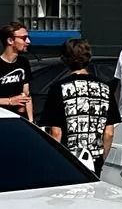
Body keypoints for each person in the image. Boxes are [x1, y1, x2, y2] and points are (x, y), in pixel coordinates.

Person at [42, 36, 115, 173]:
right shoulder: (105, 88)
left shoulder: (58, 88)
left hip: (67, 160)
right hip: (95, 160)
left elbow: (56, 132)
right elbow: (109, 132)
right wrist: (102, 159)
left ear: (64, 59)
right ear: (89, 58)